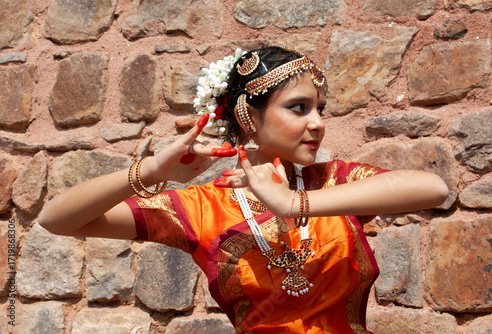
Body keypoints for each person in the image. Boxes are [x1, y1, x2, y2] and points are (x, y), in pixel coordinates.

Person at [39, 46, 449, 333]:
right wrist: (150, 170)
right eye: (299, 107)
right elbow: (56, 219)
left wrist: (293, 201)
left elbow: (432, 188)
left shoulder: (335, 182)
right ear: (249, 117)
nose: (318, 122)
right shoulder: (202, 208)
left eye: (320, 109)